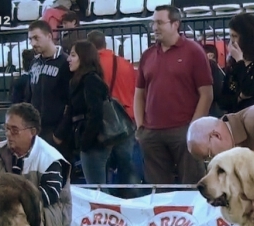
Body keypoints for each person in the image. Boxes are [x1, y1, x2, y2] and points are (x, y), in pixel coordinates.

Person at [134, 5, 213, 186]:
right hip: (152, 134)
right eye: (153, 23)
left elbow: (207, 94)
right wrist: (141, 127)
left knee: (192, 187)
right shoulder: (147, 55)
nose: (154, 27)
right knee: (159, 191)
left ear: (175, 24)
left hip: (183, 131)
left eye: (160, 22)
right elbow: (139, 94)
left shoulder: (194, 52)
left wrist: (193, 129)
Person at [53, 40, 139, 197]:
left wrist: (86, 142)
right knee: (99, 186)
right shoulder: (80, 80)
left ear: (84, 57)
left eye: (73, 55)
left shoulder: (90, 80)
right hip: (94, 140)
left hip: (96, 142)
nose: (68, 59)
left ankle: (106, 217)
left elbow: (96, 114)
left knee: (97, 190)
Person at [218, 12, 254, 113]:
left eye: (235, 36)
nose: (232, 41)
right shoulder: (233, 62)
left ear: (247, 37)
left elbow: (249, 90)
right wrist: (240, 98)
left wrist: (240, 62)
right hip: (235, 119)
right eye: (230, 36)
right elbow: (223, 101)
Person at [27, 20, 72, 148]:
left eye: (36, 38)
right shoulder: (34, 63)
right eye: (30, 39)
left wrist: (59, 134)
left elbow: (71, 102)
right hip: (36, 131)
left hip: (56, 132)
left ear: (49, 36)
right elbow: (29, 96)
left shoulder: (65, 62)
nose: (33, 43)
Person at [87, 29, 136, 121]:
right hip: (129, 117)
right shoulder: (125, 63)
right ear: (105, 44)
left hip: (107, 119)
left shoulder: (91, 66)